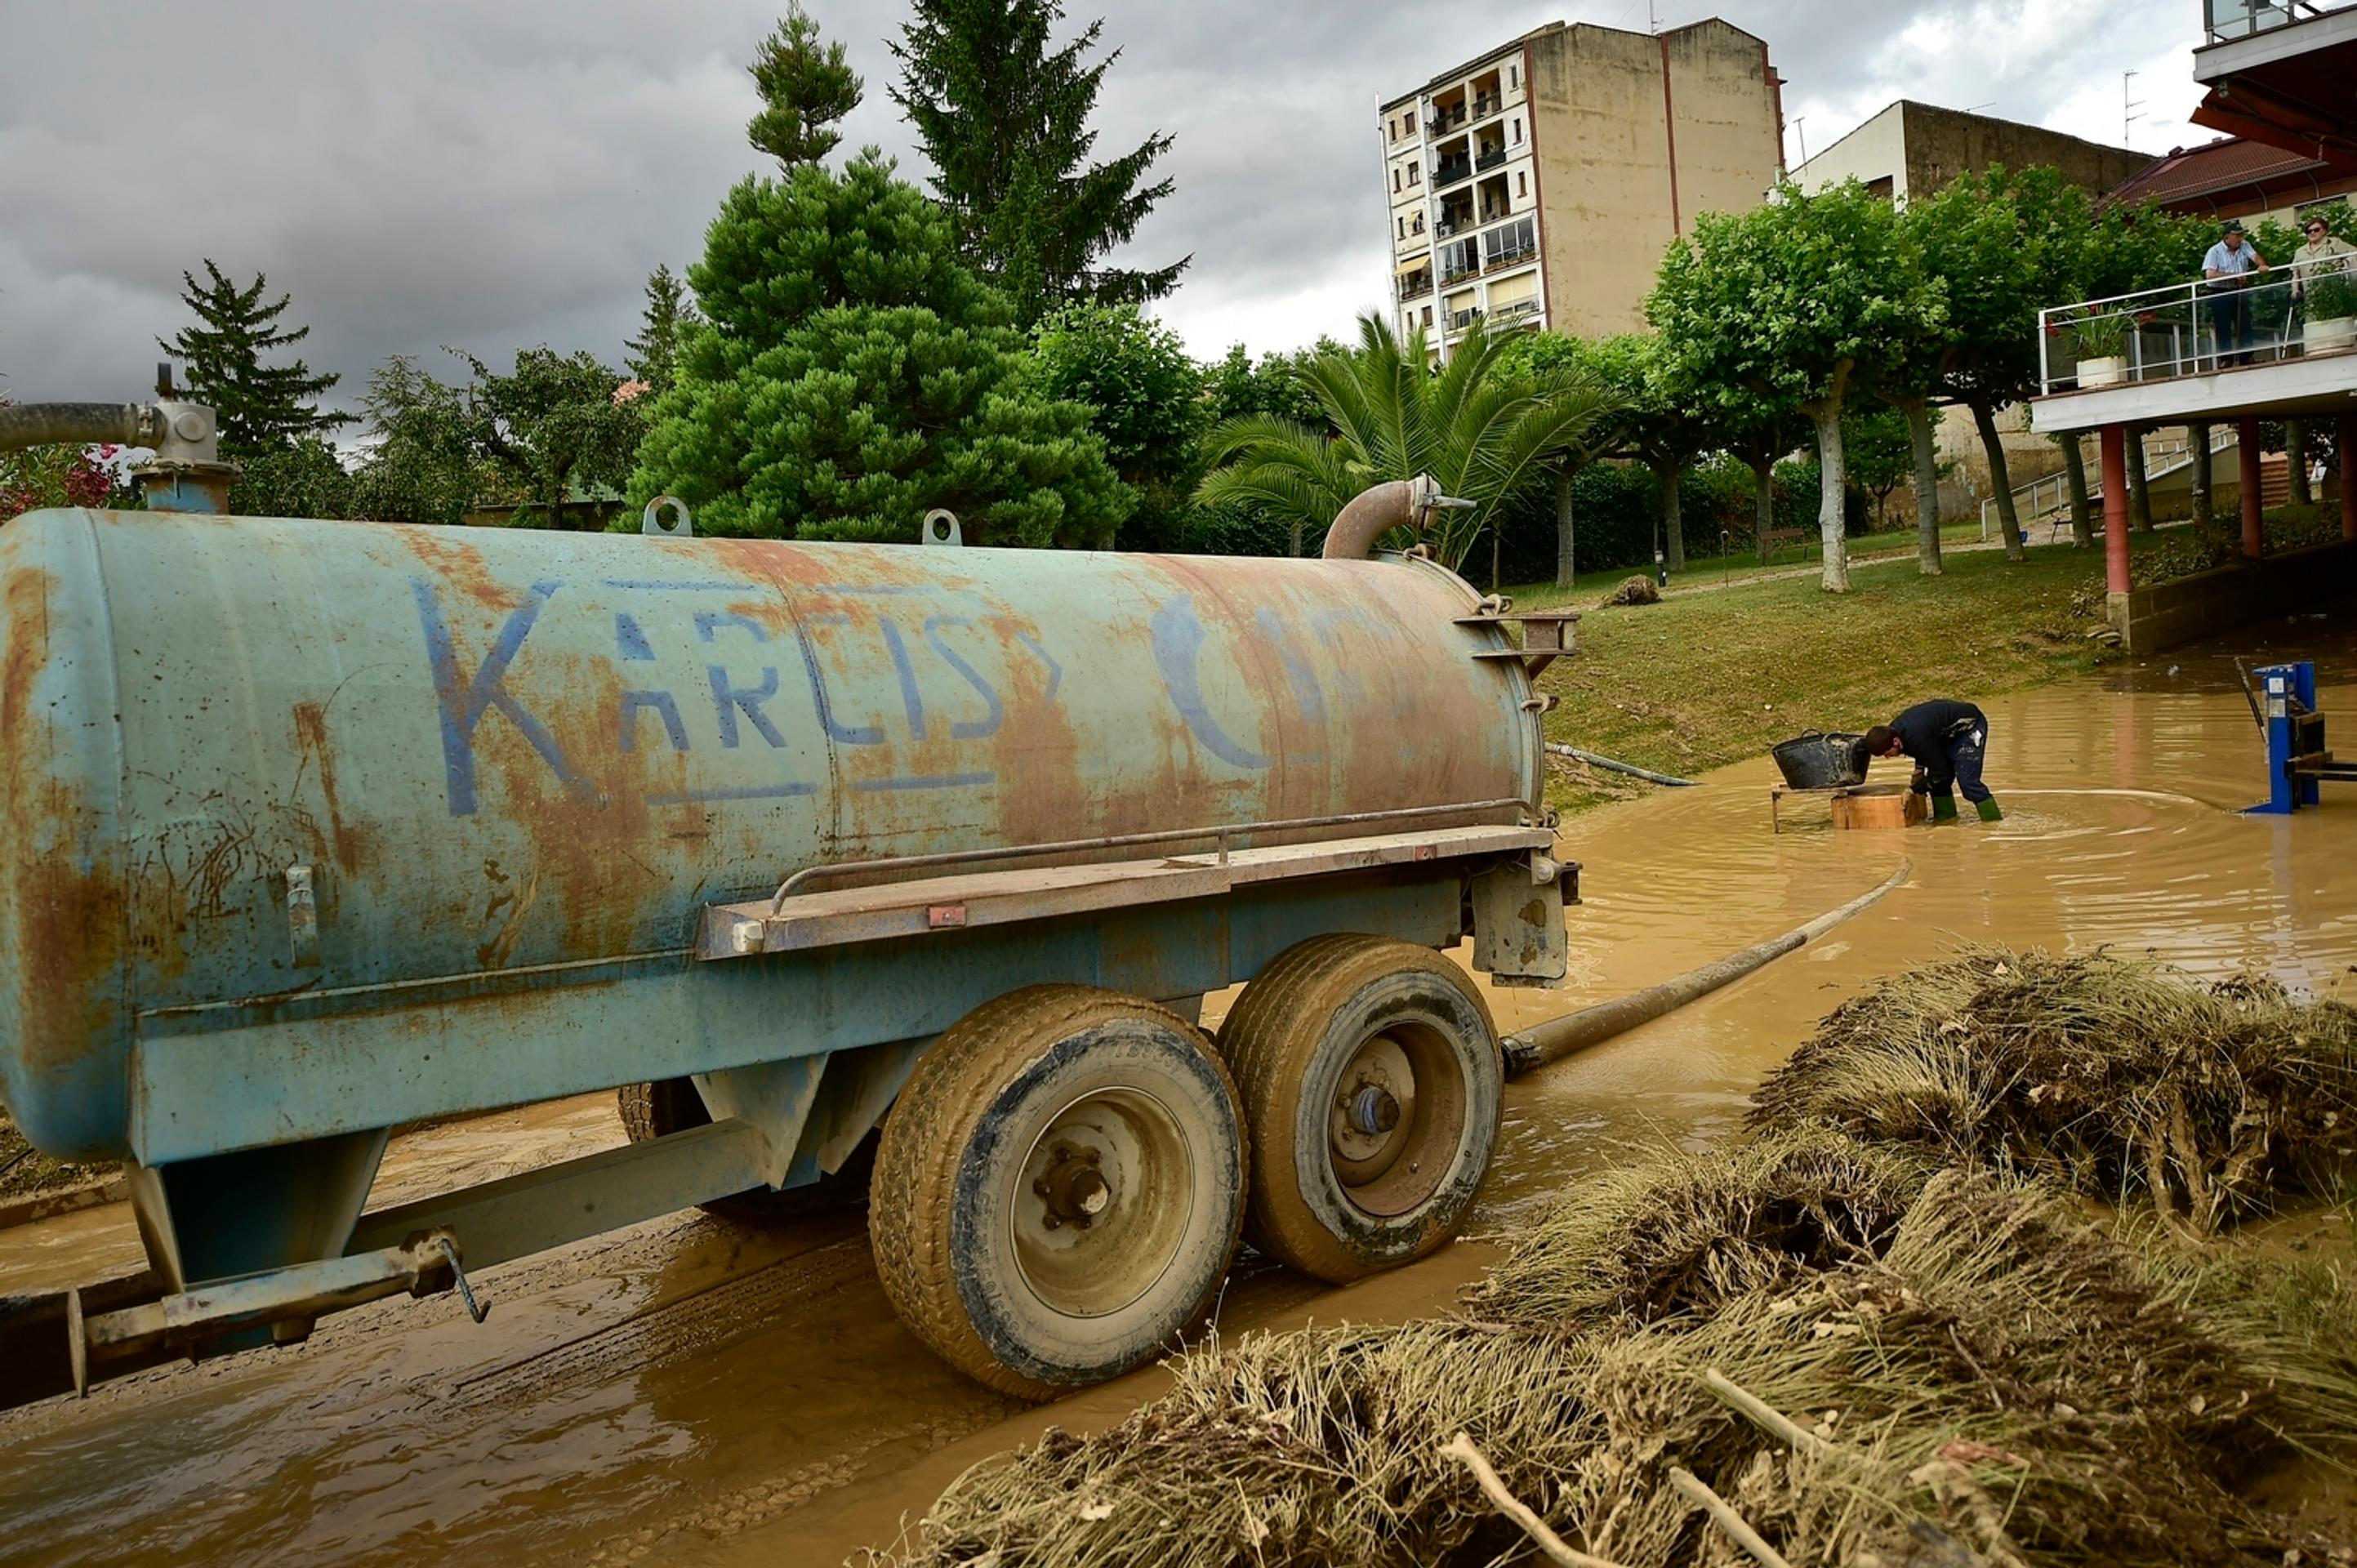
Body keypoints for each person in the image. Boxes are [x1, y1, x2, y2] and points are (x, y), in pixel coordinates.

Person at [1858, 700, 2001, 822]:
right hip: (1944, 734)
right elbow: (1924, 750)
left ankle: (1992, 825)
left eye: (1887, 753)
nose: (1888, 757)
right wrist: (1919, 770)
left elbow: (1941, 771)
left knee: (1968, 784)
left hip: (1969, 727)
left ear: (1896, 741)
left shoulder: (1914, 736)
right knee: (1938, 784)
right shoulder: (1894, 734)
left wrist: (1914, 790)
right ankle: (1946, 822)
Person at [2203, 220, 2270, 367]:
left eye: (2241, 235)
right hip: (2219, 291)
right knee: (2223, 325)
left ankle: (2246, 356)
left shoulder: (2244, 245)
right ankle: (2226, 359)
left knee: (2244, 322)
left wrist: (2262, 265)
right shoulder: (2214, 251)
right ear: (2227, 237)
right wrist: (2234, 276)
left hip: (2238, 289)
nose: (2240, 238)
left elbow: (2255, 256)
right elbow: (2210, 274)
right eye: (2237, 236)